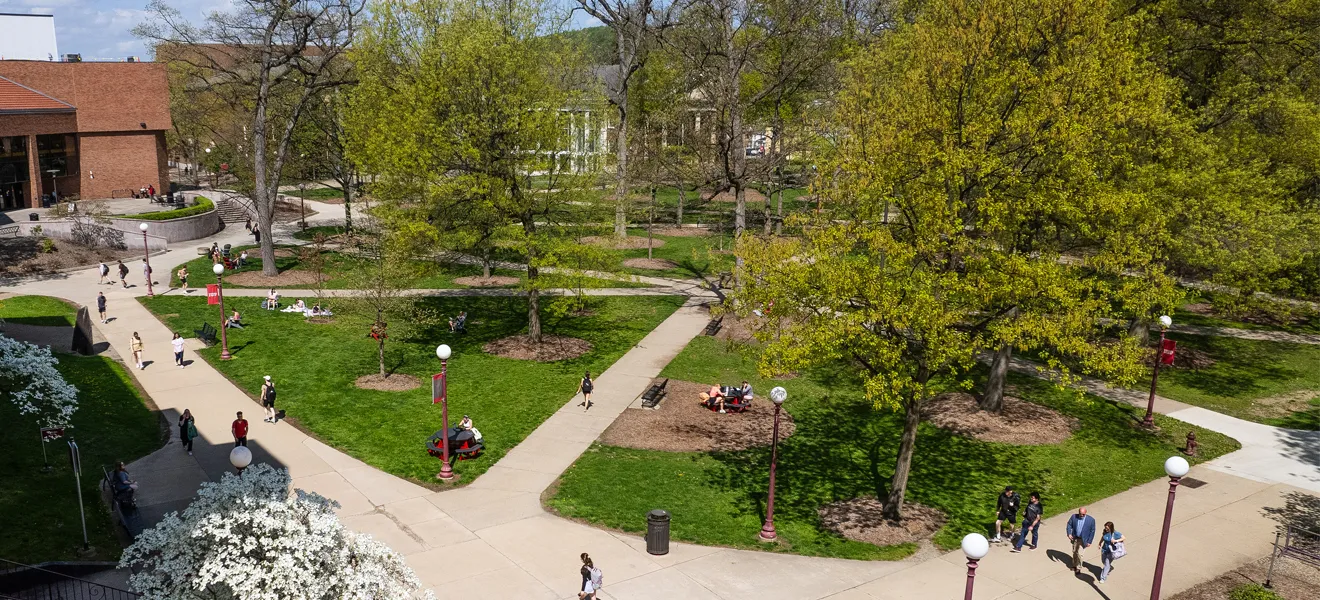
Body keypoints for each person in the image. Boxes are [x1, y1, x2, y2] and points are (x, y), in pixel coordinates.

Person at [1066, 506, 1097, 573]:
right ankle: (1074, 565)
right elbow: (1069, 524)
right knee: (1074, 552)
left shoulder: (1091, 520)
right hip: (1075, 538)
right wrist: (1069, 533)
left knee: (1080, 554)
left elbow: (1092, 531)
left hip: (1084, 540)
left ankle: (1078, 567)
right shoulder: (1074, 517)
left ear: (1086, 513)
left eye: (1083, 514)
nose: (1081, 515)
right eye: (1080, 513)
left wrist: (1089, 541)